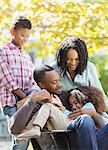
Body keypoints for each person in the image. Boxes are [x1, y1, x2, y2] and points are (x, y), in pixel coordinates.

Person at [15, 65, 108, 149]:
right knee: (85, 120)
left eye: (59, 80)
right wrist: (31, 100)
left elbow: (101, 125)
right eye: (54, 82)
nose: (59, 84)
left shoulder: (68, 96)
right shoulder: (38, 102)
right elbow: (15, 129)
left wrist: (93, 114)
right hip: (67, 143)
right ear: (41, 85)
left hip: (88, 142)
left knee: (87, 120)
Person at [0, 15, 55, 150]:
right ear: (12, 32)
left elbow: (31, 82)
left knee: (34, 133)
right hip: (11, 102)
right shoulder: (3, 52)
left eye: (27, 36)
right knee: (20, 137)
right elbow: (7, 79)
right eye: (22, 35)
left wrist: (32, 97)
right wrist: (26, 99)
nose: (24, 39)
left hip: (28, 101)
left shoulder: (26, 56)